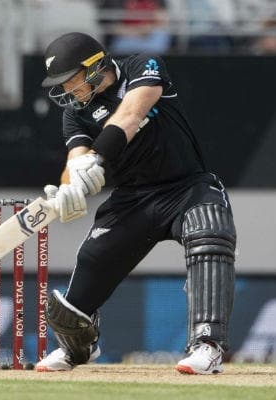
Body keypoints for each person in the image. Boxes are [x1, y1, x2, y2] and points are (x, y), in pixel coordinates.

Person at [36, 32, 236, 375]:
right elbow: (76, 158)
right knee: (92, 258)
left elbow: (131, 113)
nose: (67, 89)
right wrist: (69, 186)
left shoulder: (142, 66)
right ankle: (77, 346)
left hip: (186, 186)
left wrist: (97, 157)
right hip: (132, 199)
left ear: (94, 66)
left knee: (209, 234)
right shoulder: (75, 113)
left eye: (71, 79)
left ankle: (207, 345)